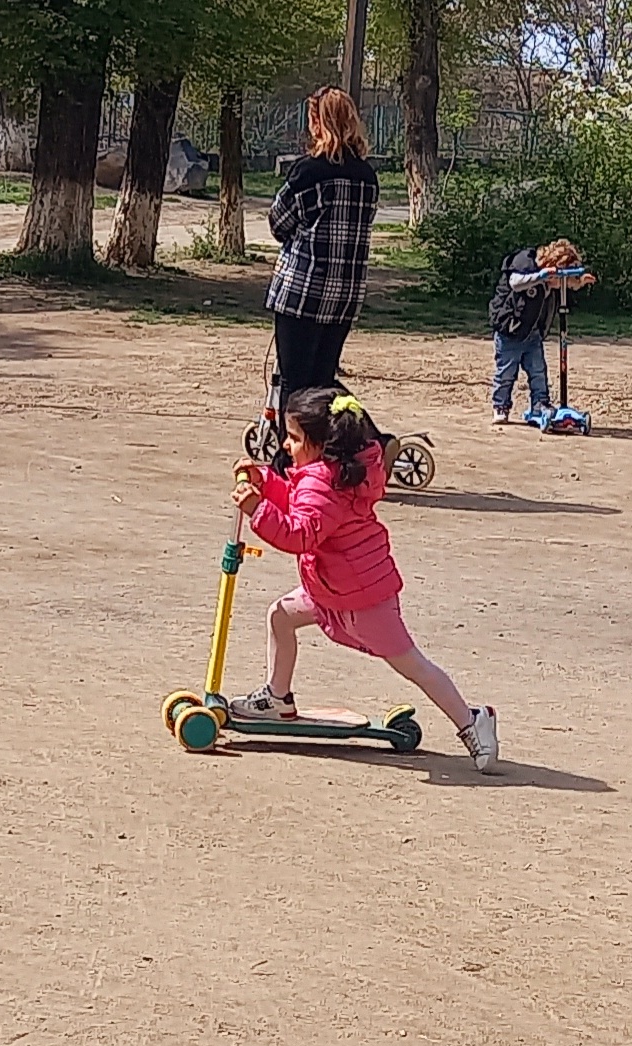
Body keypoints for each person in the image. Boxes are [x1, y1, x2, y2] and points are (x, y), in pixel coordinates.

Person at [227, 388, 499, 773]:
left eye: (294, 438)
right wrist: (268, 483)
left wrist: (257, 508)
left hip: (362, 596)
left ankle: (473, 720)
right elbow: (301, 501)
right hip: (333, 587)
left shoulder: (324, 483)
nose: (287, 447)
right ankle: (277, 697)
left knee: (412, 665)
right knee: (280, 616)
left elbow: (300, 533)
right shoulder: (333, 474)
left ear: (322, 444)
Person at [266, 87, 380, 400]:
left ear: (319, 123)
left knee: (294, 383)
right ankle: (325, 446)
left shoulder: (308, 171)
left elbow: (278, 222)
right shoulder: (367, 176)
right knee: (322, 380)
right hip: (345, 296)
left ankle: (292, 449)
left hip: (303, 293)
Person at [489, 238, 597, 425]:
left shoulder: (552, 281)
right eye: (559, 275)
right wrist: (542, 276)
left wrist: (579, 283)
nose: (560, 281)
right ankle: (501, 406)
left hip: (533, 334)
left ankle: (540, 404)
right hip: (510, 331)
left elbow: (566, 283)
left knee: (538, 371)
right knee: (506, 372)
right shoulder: (526, 263)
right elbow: (515, 283)